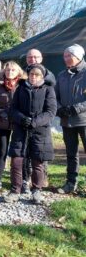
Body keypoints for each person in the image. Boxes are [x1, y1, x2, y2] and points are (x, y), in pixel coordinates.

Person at [4, 64, 56, 204]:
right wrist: (22, 119)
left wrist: (34, 122)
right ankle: (15, 190)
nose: (33, 77)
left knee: (37, 162)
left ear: (42, 76)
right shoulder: (21, 88)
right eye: (32, 74)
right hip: (21, 129)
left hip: (40, 131)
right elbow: (13, 109)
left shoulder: (48, 89)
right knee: (16, 161)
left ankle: (36, 191)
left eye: (37, 74)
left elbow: (50, 112)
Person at [0, 61, 26, 192]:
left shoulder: (23, 86)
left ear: (18, 72)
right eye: (8, 70)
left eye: (13, 70)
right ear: (4, 71)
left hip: (19, 124)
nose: (10, 72)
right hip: (3, 122)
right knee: (2, 151)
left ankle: (22, 180)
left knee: (19, 152)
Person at [55, 44, 86, 194]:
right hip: (67, 121)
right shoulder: (61, 75)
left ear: (79, 57)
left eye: (69, 56)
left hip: (84, 120)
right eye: (65, 56)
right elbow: (55, 97)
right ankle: (70, 183)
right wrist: (60, 109)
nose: (66, 59)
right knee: (71, 154)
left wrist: (76, 108)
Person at [23, 49, 56, 188]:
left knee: (41, 152)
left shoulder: (48, 74)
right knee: (25, 152)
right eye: (30, 57)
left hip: (41, 119)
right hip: (24, 118)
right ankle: (26, 179)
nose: (32, 59)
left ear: (41, 58)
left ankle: (43, 178)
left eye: (35, 57)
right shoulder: (23, 73)